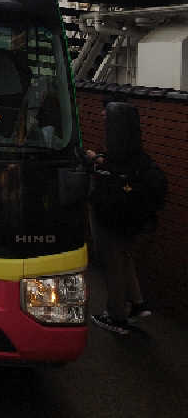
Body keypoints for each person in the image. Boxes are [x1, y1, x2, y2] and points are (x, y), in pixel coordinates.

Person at [86, 100, 162, 335]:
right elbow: (116, 165)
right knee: (125, 257)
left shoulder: (117, 150)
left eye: (107, 117)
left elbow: (111, 170)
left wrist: (93, 161)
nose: (102, 119)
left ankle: (116, 316)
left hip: (112, 218)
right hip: (133, 219)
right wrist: (99, 159)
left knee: (113, 264)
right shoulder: (135, 150)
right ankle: (138, 304)